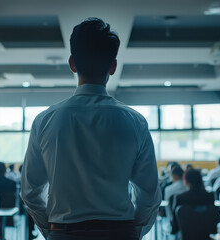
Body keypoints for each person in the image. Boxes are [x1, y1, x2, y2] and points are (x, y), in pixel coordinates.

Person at [21, 18, 161, 240]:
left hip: (63, 233)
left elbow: (30, 192)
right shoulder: (135, 121)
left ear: (72, 64)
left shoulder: (45, 121)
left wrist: (52, 231)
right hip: (120, 233)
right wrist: (132, 232)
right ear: (113, 67)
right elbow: (149, 195)